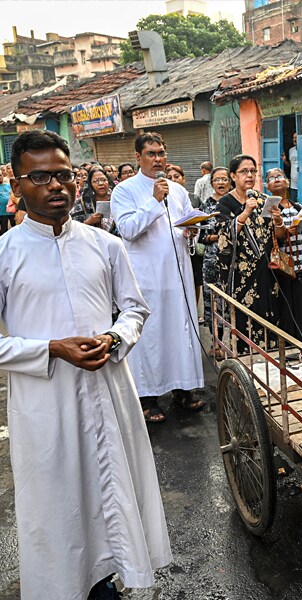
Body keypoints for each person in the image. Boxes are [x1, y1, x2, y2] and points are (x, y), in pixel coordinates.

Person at [0, 130, 171, 599]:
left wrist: (114, 337)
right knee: (60, 510)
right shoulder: (5, 254)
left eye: (63, 175)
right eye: (40, 177)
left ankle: (112, 577)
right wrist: (51, 349)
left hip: (109, 391)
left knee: (114, 491)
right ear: (17, 186)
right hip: (44, 404)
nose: (56, 186)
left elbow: (135, 308)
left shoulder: (104, 244)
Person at [111, 131, 205, 423]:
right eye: (151, 154)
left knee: (181, 331)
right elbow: (127, 230)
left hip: (178, 275)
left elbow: (186, 218)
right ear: (138, 157)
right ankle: (148, 397)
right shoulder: (125, 190)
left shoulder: (176, 190)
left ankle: (182, 389)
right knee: (150, 336)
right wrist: (153, 202)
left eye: (161, 153)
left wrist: (193, 228)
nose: (158, 159)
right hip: (147, 277)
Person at [216, 154, 284, 351]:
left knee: (270, 319)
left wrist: (279, 220)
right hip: (241, 275)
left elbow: (277, 235)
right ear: (233, 176)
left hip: (267, 272)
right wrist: (245, 213)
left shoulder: (265, 200)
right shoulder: (225, 204)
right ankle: (245, 364)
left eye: (253, 171)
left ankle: (270, 359)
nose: (249, 175)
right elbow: (222, 239)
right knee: (245, 321)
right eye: (244, 171)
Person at [267, 167, 302, 344]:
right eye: (272, 178)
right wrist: (284, 230)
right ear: (268, 186)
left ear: (288, 182)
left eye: (279, 176)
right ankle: (289, 347)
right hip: (284, 268)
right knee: (287, 310)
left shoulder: (298, 207)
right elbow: (275, 237)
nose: (276, 179)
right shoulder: (270, 208)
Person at [199, 166, 230, 357]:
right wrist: (217, 236)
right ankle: (216, 343)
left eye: (224, 179)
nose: (221, 183)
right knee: (213, 302)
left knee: (232, 303)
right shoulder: (206, 206)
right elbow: (202, 236)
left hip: (234, 261)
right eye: (217, 180)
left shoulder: (236, 202)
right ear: (211, 184)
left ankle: (235, 343)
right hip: (212, 260)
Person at [166, 164, 203, 310]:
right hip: (173, 248)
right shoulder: (161, 197)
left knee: (194, 281)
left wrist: (193, 230)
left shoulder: (192, 198)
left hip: (190, 245)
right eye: (169, 177)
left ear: (183, 179)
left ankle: (193, 309)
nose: (173, 180)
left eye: (176, 176)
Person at [0, 163, 12, 233]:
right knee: (4, 230)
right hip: (2, 213)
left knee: (15, 227)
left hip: (11, 212)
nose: (0, 177)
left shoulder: (8, 185)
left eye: (0, 175)